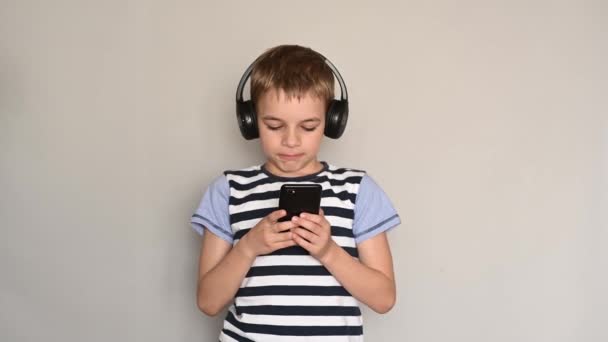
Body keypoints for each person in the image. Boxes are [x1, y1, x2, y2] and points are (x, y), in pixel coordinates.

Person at [190, 44, 401, 341]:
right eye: (274, 125)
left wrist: (328, 251)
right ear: (249, 121)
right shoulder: (227, 190)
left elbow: (384, 299)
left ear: (331, 121)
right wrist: (249, 246)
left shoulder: (358, 190)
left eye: (308, 126)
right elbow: (208, 302)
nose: (291, 140)